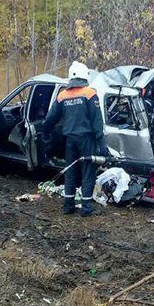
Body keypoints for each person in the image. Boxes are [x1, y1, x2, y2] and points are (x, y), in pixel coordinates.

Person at [43, 61, 107, 217]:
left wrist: (45, 133)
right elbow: (97, 122)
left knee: (70, 173)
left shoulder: (62, 95)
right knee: (87, 173)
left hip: (70, 141)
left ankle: (68, 206)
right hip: (87, 140)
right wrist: (102, 144)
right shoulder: (90, 93)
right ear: (84, 76)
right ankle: (86, 208)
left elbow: (51, 118)